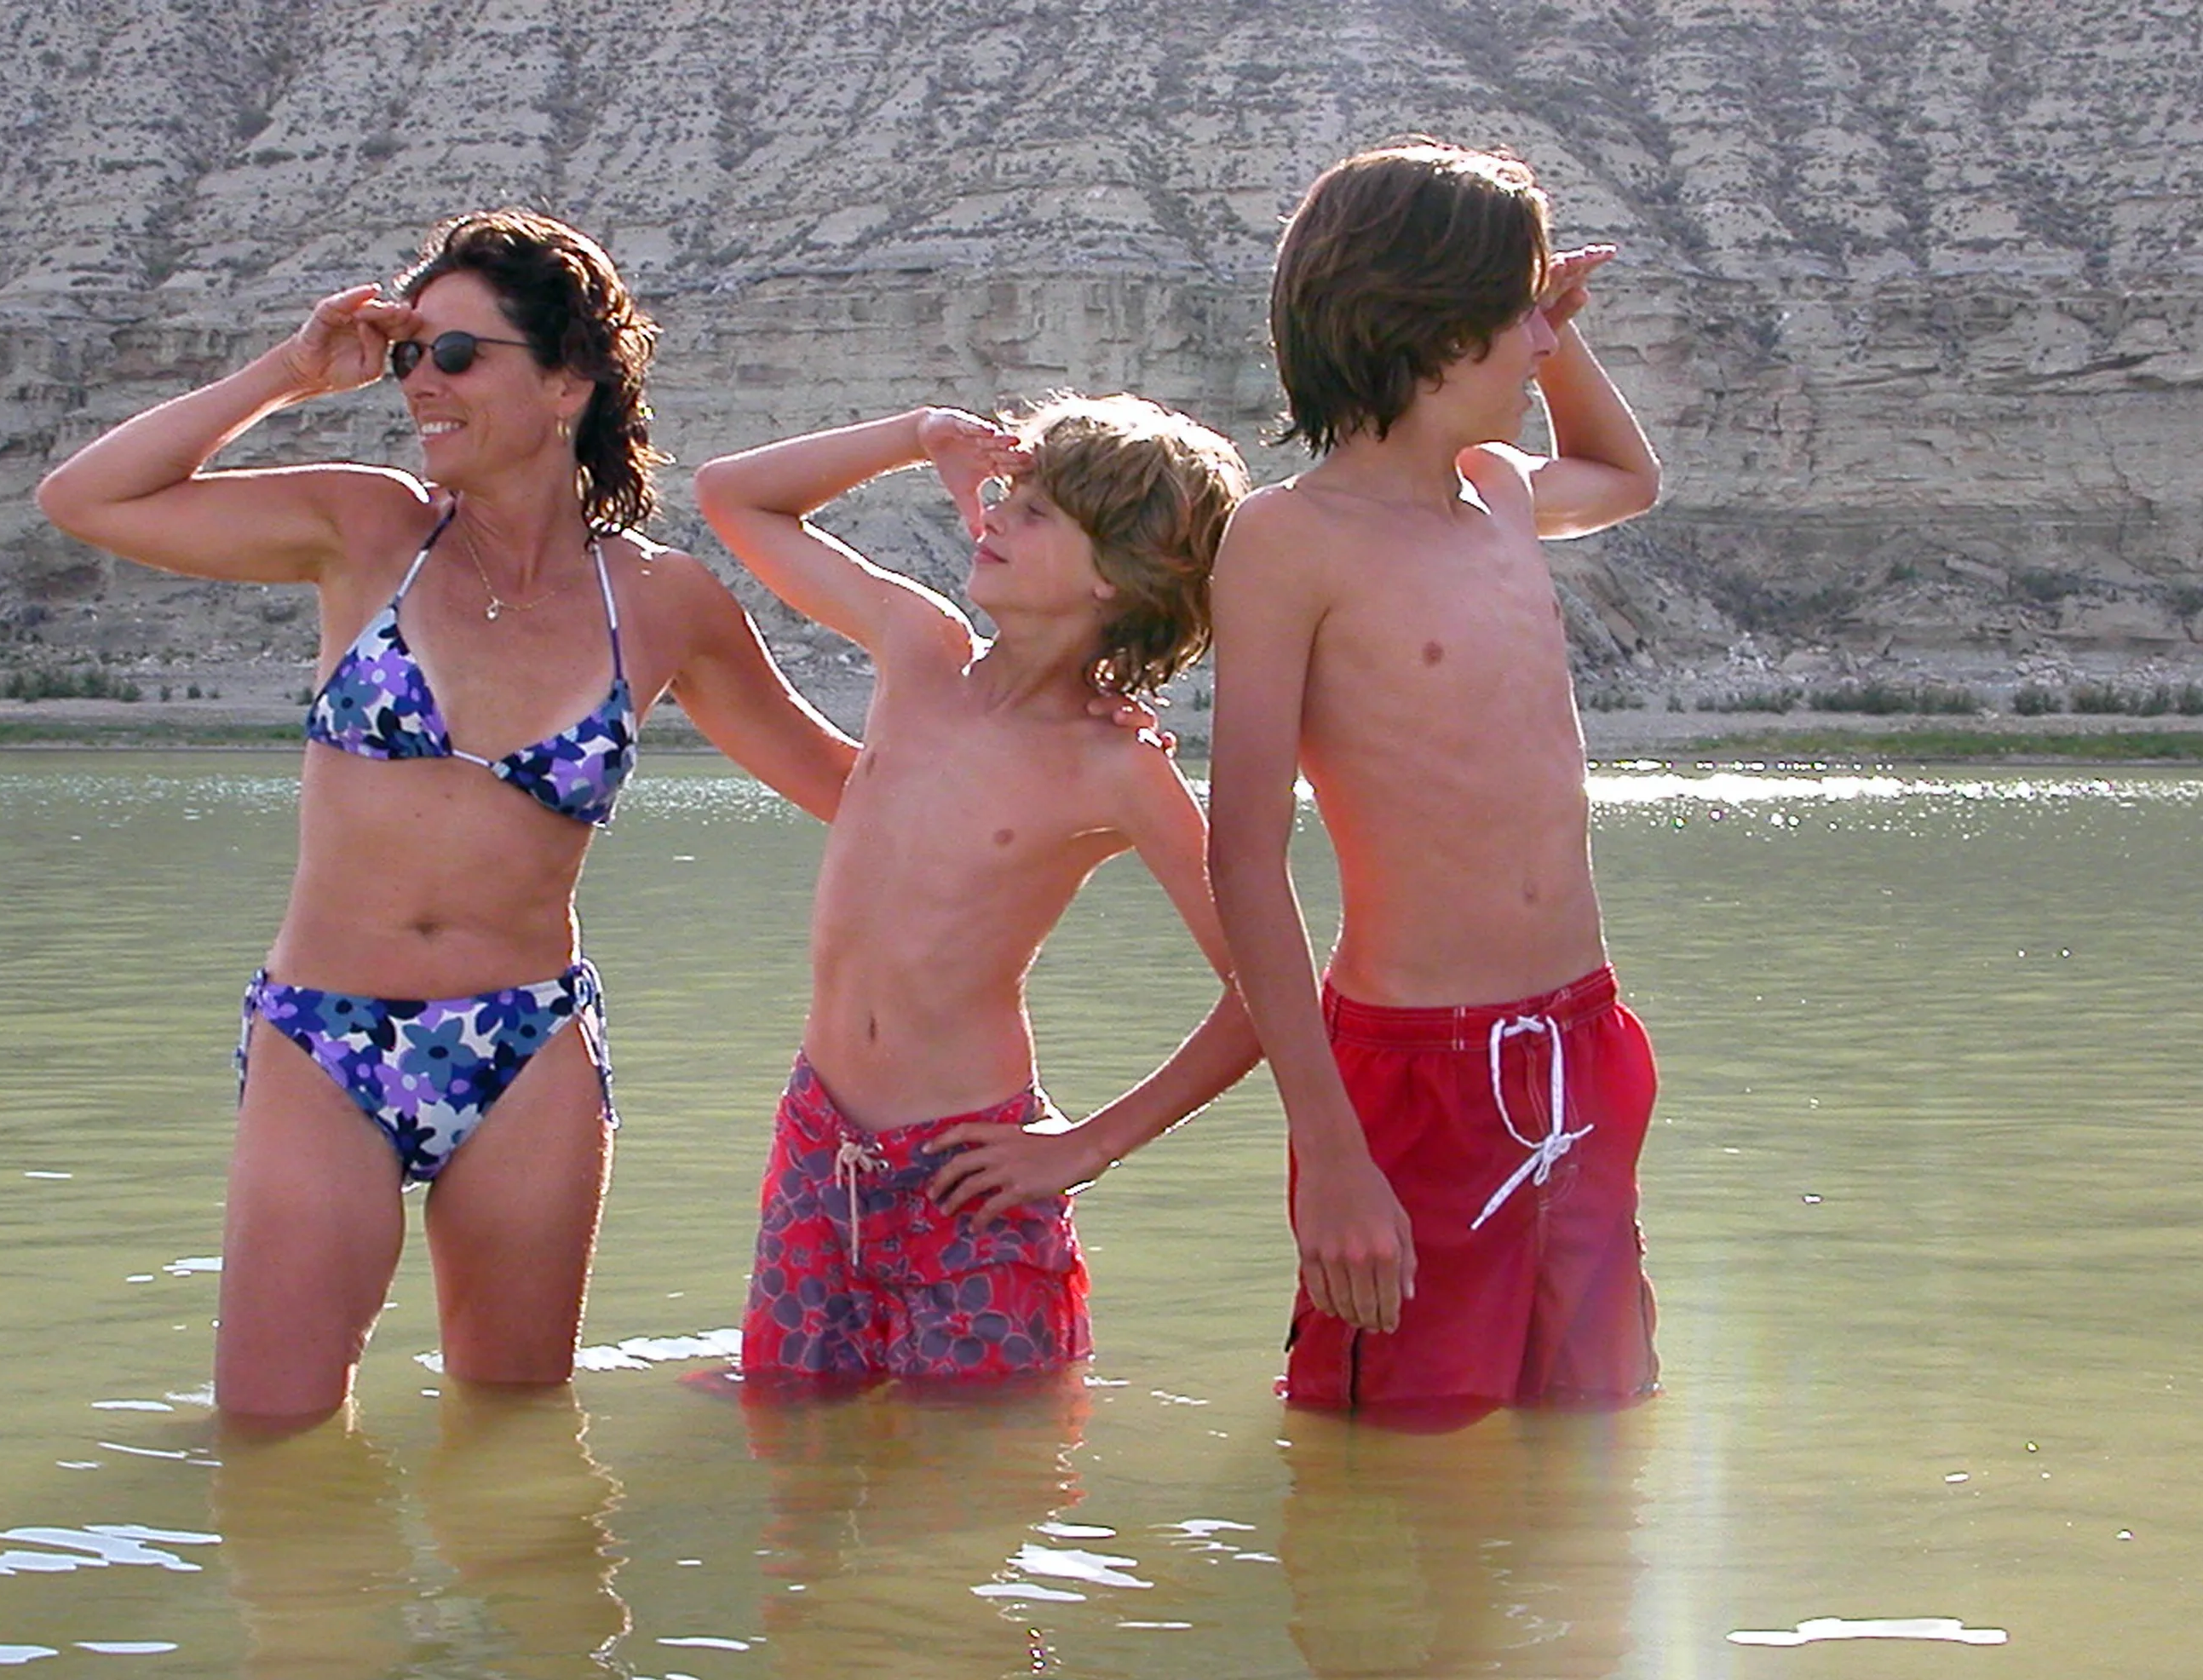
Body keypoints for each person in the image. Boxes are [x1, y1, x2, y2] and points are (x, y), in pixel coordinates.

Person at [37, 210, 858, 1426]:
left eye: (458, 355)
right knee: (270, 1434)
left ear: (568, 378)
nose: (420, 379)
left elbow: (848, 788)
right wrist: (290, 373)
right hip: (326, 1038)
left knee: (520, 1437)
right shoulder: (367, 530)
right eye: (411, 354)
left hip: (525, 1051)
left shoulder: (663, 605)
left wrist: (1066, 751)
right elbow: (86, 498)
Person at [1206, 141, 1665, 1426]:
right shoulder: (1288, 540)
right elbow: (1242, 856)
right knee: (1394, 1457)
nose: (1537, 341)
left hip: (1581, 1038)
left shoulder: (1503, 493)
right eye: (1516, 313)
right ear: (1425, 323)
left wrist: (1557, 331)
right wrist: (1335, 1156)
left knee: (1592, 1419)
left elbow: (1633, 478)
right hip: (1411, 1077)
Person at [693, 395, 1259, 1379]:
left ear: (1119, 574)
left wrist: (1086, 1146)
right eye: (1012, 491)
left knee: (979, 1487)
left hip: (976, 1174)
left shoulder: (1116, 767)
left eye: (1038, 512)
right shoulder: (918, 645)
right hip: (819, 1145)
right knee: (789, 1458)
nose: (998, 514)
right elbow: (734, 499)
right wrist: (915, 436)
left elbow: (1263, 989)